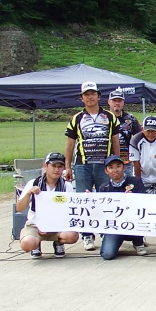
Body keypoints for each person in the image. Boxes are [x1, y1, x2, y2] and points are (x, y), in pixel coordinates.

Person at [64, 81, 120, 251]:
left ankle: (105, 233)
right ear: (82, 98)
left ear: (98, 96)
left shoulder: (110, 117)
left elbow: (115, 141)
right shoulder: (77, 118)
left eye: (92, 94)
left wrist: (116, 162)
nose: (90, 97)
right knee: (84, 201)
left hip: (105, 165)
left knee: (106, 200)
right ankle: (87, 236)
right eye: (86, 94)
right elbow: (70, 144)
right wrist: (68, 166)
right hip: (83, 165)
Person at [16, 152, 79, 259]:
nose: (57, 170)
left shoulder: (66, 186)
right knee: (27, 244)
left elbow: (71, 209)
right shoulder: (33, 183)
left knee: (72, 236)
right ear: (46, 166)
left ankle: (58, 242)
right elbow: (19, 208)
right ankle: (36, 245)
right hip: (35, 225)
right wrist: (28, 193)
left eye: (60, 167)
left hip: (58, 225)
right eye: (53, 166)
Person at [98, 155, 148, 260]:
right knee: (107, 254)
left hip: (134, 223)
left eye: (118, 166)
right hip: (115, 226)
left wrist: (133, 199)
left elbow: (144, 203)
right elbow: (100, 211)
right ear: (106, 171)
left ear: (123, 168)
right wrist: (89, 198)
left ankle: (138, 241)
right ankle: (111, 239)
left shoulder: (136, 181)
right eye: (111, 167)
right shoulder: (104, 187)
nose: (115, 170)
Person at [129, 115, 156, 194]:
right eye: (148, 131)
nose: (151, 134)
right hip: (142, 179)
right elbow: (136, 164)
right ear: (142, 129)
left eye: (154, 131)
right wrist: (138, 183)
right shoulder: (135, 140)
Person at [107, 88, 141, 177]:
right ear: (109, 102)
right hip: (107, 161)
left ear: (123, 102)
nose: (117, 103)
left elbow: (139, 137)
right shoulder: (104, 117)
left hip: (125, 161)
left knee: (127, 187)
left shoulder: (131, 118)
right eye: (114, 101)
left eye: (119, 101)